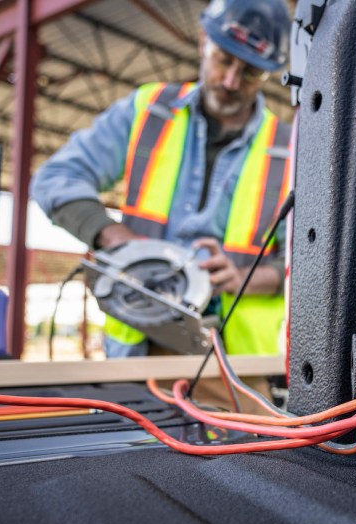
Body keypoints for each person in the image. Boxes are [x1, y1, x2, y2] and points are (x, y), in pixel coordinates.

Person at [30, 0, 292, 359]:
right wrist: (118, 239)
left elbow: (309, 262)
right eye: (223, 60)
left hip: (233, 361)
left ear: (268, 75)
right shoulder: (147, 111)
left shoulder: (290, 150)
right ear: (204, 42)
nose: (230, 81)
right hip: (137, 344)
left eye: (249, 73)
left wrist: (244, 278)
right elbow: (55, 178)